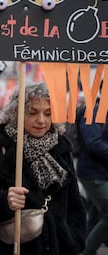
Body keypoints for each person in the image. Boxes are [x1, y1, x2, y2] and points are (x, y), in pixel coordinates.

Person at [0, 82, 86, 254]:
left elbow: (75, 203)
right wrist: (5, 202)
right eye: (32, 112)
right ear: (16, 113)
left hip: (58, 247)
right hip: (14, 248)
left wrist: (74, 240)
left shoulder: (61, 149)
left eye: (48, 113)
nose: (41, 120)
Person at [76, 98, 108, 255]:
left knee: (96, 214)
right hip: (93, 173)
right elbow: (93, 142)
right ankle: (86, 251)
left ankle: (84, 247)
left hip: (99, 172)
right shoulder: (92, 111)